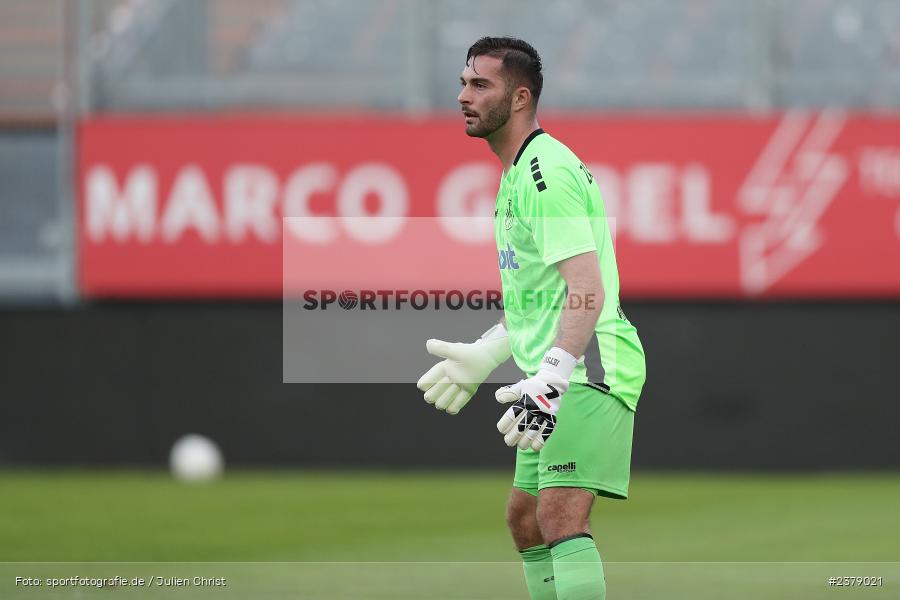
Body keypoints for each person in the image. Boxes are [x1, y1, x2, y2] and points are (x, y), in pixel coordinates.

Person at [417, 37, 646, 599]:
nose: (463, 96)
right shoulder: (517, 174)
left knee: (560, 516)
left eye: (480, 85)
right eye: (464, 83)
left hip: (588, 367)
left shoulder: (544, 172)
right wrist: (488, 352)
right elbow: (542, 297)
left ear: (519, 98)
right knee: (525, 520)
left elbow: (586, 290)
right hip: (561, 367)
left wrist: (553, 375)